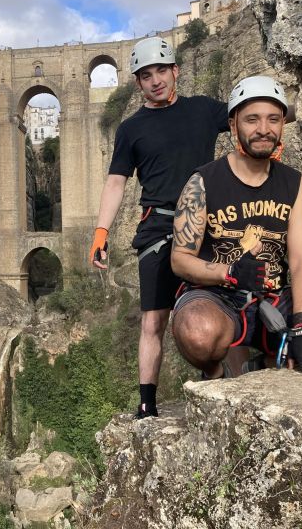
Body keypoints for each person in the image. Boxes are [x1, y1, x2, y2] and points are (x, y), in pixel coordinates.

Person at [169, 76, 302, 379]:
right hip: (216, 296)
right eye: (252, 119)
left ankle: (269, 362)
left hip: (274, 297)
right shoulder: (202, 182)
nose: (263, 129)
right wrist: (228, 273)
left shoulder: (295, 184)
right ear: (233, 124)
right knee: (199, 334)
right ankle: (217, 371)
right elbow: (180, 259)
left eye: (273, 119)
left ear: (282, 125)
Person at [89, 36, 229, 418]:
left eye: (161, 71)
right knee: (153, 319)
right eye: (146, 75)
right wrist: (101, 233)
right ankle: (147, 402)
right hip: (158, 227)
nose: (155, 80)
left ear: (175, 72)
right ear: (138, 83)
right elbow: (116, 182)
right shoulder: (131, 129)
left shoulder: (203, 110)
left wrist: (280, 116)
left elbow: (249, 114)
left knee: (226, 304)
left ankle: (224, 384)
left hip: (207, 225)